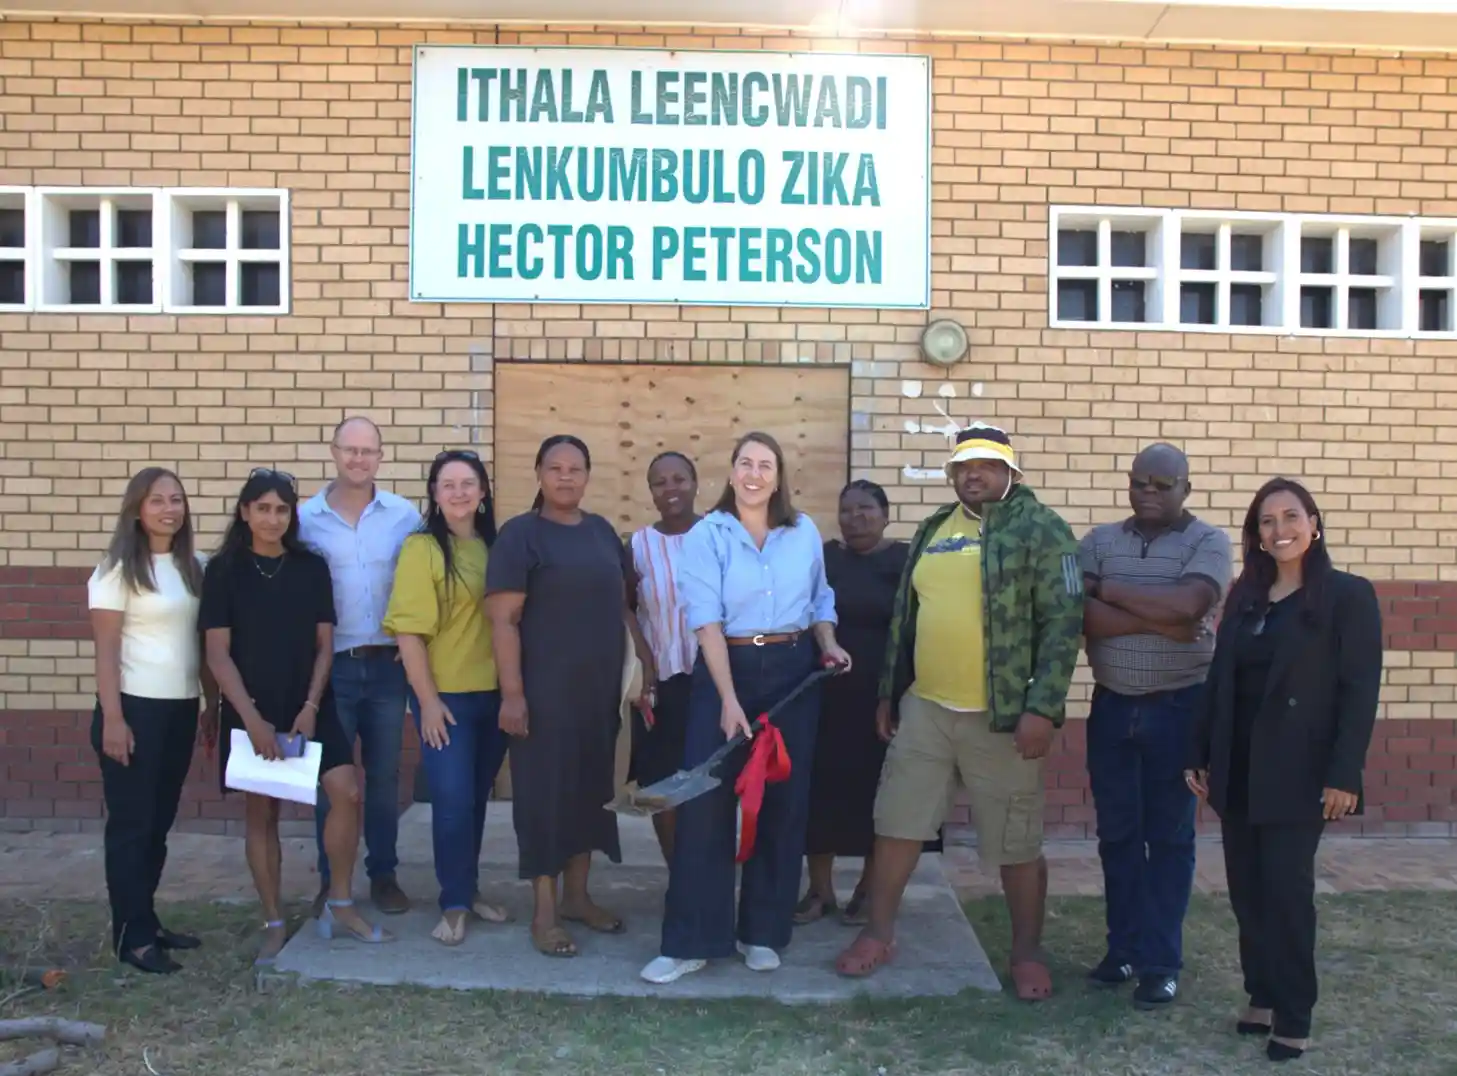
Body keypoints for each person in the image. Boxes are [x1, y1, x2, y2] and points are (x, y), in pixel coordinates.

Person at [835, 423, 1083, 1002]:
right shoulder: (932, 530)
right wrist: (889, 691)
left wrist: (1043, 707)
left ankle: (1025, 952)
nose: (974, 474)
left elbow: (1063, 623)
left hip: (1002, 715)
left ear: (1010, 472)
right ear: (952, 475)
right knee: (896, 823)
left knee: (1014, 841)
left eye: (988, 465)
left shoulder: (1042, 530)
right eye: (964, 466)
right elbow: (908, 617)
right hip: (926, 707)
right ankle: (879, 933)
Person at [641, 431, 851, 986]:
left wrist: (828, 644)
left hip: (791, 668)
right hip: (724, 672)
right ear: (730, 472)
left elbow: (819, 599)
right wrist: (729, 699)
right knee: (706, 808)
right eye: (745, 464)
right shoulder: (708, 534)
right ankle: (691, 941)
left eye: (765, 465)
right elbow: (704, 619)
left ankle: (762, 932)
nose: (754, 474)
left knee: (783, 803)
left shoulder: (801, 530)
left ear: (778, 476)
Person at [1187, 478, 1381, 1062]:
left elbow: (1359, 690)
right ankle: (1262, 995)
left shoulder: (1347, 596)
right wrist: (1199, 752)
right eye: (1267, 521)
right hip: (1239, 766)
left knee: (1286, 892)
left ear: (1314, 524)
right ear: (1257, 535)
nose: (1280, 530)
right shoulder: (1246, 598)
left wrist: (1345, 774)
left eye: (1290, 517)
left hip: (1301, 772)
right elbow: (1220, 680)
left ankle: (1294, 1013)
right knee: (1247, 891)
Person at [202, 468, 390, 966]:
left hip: (310, 704)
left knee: (347, 791)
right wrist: (252, 720)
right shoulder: (224, 571)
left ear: (292, 515)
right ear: (245, 512)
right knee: (263, 811)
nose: (272, 517)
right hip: (251, 708)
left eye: (281, 509)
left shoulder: (310, 566)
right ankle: (274, 922)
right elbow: (217, 655)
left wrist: (310, 707)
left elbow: (325, 644)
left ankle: (341, 904)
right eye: (262, 508)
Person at [1077, 443, 1232, 1008]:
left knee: (1168, 839)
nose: (1147, 491)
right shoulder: (1098, 541)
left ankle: (1160, 963)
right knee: (1118, 837)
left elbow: (1191, 604)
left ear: (1185, 489)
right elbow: (1080, 614)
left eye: (1161, 483)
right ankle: (1122, 951)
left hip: (1180, 710)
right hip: (1113, 706)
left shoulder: (1207, 542)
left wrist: (1110, 591)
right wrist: (1163, 623)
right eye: (1139, 481)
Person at [485, 435, 653, 959]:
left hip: (597, 695)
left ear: (587, 475)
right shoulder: (521, 536)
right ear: (537, 473)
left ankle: (580, 898)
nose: (565, 477)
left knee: (588, 796)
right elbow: (503, 620)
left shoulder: (603, 532)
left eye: (575, 468)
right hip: (543, 696)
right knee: (543, 801)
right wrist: (513, 694)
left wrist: (645, 667)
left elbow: (626, 607)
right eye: (554, 468)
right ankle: (544, 913)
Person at [88, 467, 218, 974]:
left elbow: (203, 646)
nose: (169, 509)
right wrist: (114, 720)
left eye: (177, 500)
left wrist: (210, 704)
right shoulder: (116, 569)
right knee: (131, 827)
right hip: (133, 709)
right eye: (158, 500)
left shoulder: (195, 566)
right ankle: (131, 936)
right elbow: (105, 652)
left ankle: (147, 918)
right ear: (137, 509)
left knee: (159, 824)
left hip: (180, 709)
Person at [383, 449, 510, 947]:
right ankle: (453, 903)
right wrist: (428, 701)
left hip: (495, 697)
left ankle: (469, 888)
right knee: (453, 803)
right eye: (448, 484)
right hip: (447, 699)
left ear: (482, 493)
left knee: (475, 800)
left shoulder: (496, 546)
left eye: (468, 483)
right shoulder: (422, 549)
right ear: (434, 494)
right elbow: (408, 634)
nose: (459, 492)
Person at [298, 416, 421, 918]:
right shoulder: (306, 520)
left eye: (368, 451)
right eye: (349, 450)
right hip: (333, 669)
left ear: (380, 456)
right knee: (333, 777)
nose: (358, 459)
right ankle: (333, 879)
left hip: (389, 665)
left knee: (385, 777)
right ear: (333, 452)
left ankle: (384, 874)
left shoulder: (403, 516)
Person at [795, 480, 912, 927]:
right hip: (825, 698)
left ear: (885, 515)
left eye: (865, 509)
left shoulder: (903, 562)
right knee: (819, 796)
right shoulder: (825, 560)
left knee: (875, 797)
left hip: (881, 700)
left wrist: (899, 693)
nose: (855, 518)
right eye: (846, 510)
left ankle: (867, 888)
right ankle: (819, 890)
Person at [625, 450, 701, 863]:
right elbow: (625, 605)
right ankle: (679, 874)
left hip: (712, 680)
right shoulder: (639, 544)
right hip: (660, 683)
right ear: (650, 491)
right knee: (661, 782)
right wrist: (643, 657)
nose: (670, 489)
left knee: (708, 782)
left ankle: (708, 871)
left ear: (695, 482)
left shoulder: (722, 535)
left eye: (679, 479)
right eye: (660, 482)